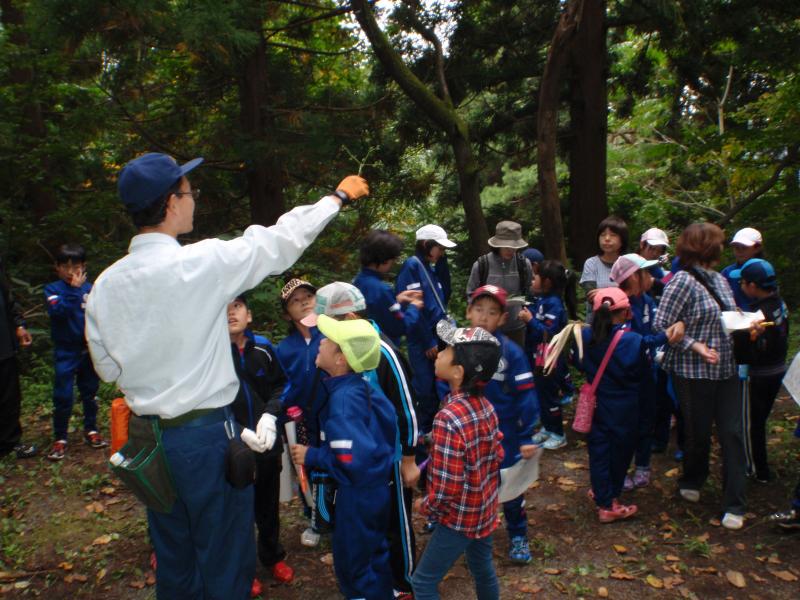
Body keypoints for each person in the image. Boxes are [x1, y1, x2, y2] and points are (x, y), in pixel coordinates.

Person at [85, 151, 368, 599]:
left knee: (175, 559)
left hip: (148, 443)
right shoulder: (202, 263)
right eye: (188, 191)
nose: (193, 198)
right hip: (204, 439)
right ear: (171, 203)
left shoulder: (104, 285)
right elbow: (278, 241)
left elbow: (105, 368)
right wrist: (335, 198)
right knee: (225, 563)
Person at [300, 282, 419, 598]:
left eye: (326, 335)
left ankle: (404, 583)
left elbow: (405, 410)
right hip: (367, 476)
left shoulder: (382, 355)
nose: (319, 340)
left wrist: (408, 458)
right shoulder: (345, 378)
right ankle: (383, 586)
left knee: (380, 538)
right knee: (374, 541)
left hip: (372, 473)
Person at [290, 316, 396, 600]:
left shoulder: (344, 401)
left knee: (353, 565)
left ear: (340, 359)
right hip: (376, 489)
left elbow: (350, 459)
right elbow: (384, 428)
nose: (320, 341)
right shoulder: (361, 386)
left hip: (357, 495)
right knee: (375, 555)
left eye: (327, 340)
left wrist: (313, 455)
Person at [653, 222, 748, 530]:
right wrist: (694, 345)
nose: (722, 248)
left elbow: (727, 317)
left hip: (727, 369)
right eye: (718, 243)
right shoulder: (682, 281)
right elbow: (661, 325)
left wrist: (750, 325)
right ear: (704, 246)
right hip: (693, 373)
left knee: (733, 433)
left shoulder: (720, 280)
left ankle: (734, 502)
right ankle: (693, 477)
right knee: (699, 432)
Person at [444, 285, 537, 564]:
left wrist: (526, 435)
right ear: (468, 312)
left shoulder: (510, 352)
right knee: (464, 480)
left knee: (508, 481)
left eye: (492, 312)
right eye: (479, 310)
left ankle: (517, 534)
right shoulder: (457, 348)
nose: (484, 317)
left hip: (502, 431)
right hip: (464, 430)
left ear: (502, 319)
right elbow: (445, 384)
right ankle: (458, 530)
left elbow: (526, 395)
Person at [412, 321, 504, 600]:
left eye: (447, 350)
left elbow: (447, 489)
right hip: (484, 506)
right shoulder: (486, 407)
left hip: (459, 517)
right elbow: (493, 453)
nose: (439, 353)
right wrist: (430, 441)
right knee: (481, 566)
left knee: (423, 583)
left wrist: (425, 506)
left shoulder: (448, 418)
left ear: (457, 371)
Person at [226, 294, 294, 593]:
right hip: (234, 443)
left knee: (267, 503)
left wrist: (271, 414)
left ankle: (272, 555)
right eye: (224, 309)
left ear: (249, 315)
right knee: (237, 506)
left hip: (268, 440)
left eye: (237, 307)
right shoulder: (212, 352)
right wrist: (237, 429)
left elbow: (283, 384)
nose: (231, 313)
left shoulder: (264, 348)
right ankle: (243, 568)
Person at [609, 254, 684, 490]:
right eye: (647, 273)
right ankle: (619, 470)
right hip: (626, 379)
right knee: (625, 426)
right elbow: (634, 342)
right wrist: (663, 338)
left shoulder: (648, 301)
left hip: (648, 373)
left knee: (646, 421)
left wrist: (661, 345)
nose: (652, 277)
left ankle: (642, 466)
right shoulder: (621, 306)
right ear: (632, 278)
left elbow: (653, 331)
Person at [579, 288, 648, 523]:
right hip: (624, 407)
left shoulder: (585, 336)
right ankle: (608, 504)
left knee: (599, 451)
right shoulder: (632, 341)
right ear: (626, 312)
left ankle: (601, 491)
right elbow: (642, 371)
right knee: (619, 453)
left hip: (597, 403)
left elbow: (578, 363)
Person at [728, 258, 789, 483]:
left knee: (750, 423)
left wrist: (739, 333)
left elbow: (748, 353)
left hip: (758, 375)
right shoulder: (778, 304)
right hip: (776, 370)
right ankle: (758, 466)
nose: (741, 286)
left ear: (752, 286)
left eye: (742, 282)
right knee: (759, 419)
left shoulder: (759, 317)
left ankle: (755, 469)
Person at [44, 243, 106, 461]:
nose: (71, 272)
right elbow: (57, 313)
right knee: (63, 395)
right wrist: (72, 291)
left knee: (89, 391)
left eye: (76, 267)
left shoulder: (90, 289)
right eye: (66, 267)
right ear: (57, 268)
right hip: (65, 351)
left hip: (87, 350)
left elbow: (100, 317)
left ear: (84, 266)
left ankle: (91, 429)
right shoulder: (53, 290)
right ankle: (60, 438)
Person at [396, 224, 456, 446]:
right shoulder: (412, 266)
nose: (441, 252)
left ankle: (432, 433)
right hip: (423, 339)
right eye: (438, 248)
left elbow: (443, 295)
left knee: (440, 382)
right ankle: (420, 437)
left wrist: (441, 263)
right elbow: (414, 306)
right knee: (425, 389)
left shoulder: (429, 267)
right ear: (425, 245)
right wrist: (427, 340)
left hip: (438, 333)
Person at [520, 260, 570, 450]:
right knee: (540, 394)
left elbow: (549, 334)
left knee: (550, 396)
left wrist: (530, 320)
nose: (532, 281)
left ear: (547, 282)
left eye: (535, 277)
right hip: (537, 358)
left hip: (550, 360)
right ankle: (547, 427)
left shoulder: (555, 305)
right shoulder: (541, 301)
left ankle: (558, 433)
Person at [466, 221, 532, 348]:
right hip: (487, 328)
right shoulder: (482, 265)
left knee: (515, 363)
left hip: (516, 327)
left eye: (514, 247)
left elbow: (529, 292)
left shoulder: (523, 265)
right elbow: (470, 294)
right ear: (497, 245)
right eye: (506, 247)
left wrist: (522, 306)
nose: (510, 251)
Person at [353, 229, 424, 348]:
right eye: (392, 260)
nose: (393, 264)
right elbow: (400, 326)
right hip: (382, 349)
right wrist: (414, 307)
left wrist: (396, 300)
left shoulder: (357, 281)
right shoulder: (382, 290)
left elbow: (376, 310)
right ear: (384, 259)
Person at [0, 256, 36, 459]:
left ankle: (10, 443)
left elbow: (6, 295)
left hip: (3, 342)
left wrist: (18, 324)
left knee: (9, 396)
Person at [580, 216, 627, 321]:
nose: (607, 239)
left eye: (613, 235)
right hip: (596, 324)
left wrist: (602, 292)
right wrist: (619, 292)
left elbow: (632, 294)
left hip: (622, 323)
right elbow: (591, 296)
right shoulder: (591, 263)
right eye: (602, 235)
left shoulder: (627, 264)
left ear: (622, 240)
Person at [720, 227, 763, 310]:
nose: (739, 251)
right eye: (736, 248)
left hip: (761, 317)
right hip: (735, 319)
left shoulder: (764, 270)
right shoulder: (727, 272)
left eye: (744, 248)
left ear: (757, 248)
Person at [638, 228, 671, 301]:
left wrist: (673, 272)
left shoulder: (655, 268)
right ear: (642, 244)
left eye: (659, 251)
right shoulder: (630, 264)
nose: (655, 254)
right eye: (652, 249)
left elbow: (666, 284)